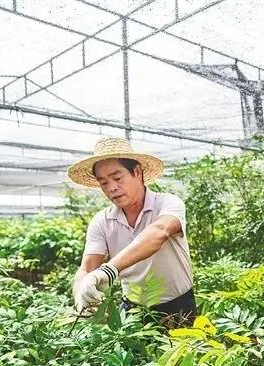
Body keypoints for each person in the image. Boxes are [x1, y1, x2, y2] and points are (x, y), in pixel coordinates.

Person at [68, 136, 197, 327]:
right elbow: (87, 269)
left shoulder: (168, 203)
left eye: (117, 178)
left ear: (137, 172)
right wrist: (81, 294)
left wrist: (110, 269)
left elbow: (159, 232)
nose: (112, 188)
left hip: (178, 309)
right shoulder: (102, 221)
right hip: (132, 310)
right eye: (103, 183)